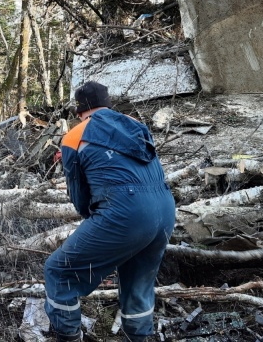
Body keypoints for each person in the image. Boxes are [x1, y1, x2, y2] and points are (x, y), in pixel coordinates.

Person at [45, 81, 176, 341]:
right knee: (138, 283)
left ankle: (68, 337)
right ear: (108, 104)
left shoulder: (74, 136)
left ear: (79, 110)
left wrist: (98, 223)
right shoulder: (136, 125)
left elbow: (80, 196)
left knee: (59, 272)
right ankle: (139, 337)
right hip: (165, 208)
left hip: (126, 212)